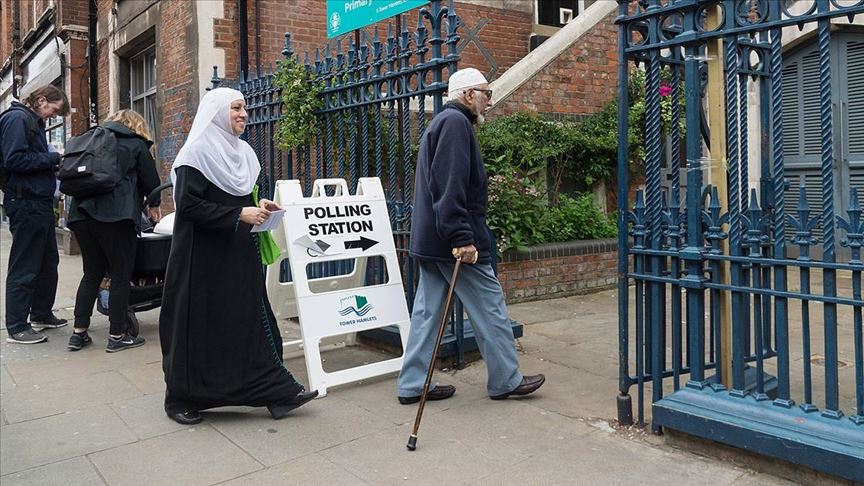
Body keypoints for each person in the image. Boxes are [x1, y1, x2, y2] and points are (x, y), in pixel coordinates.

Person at [159, 87, 317, 425]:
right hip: (201, 260)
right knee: (198, 326)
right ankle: (181, 398)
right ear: (217, 111)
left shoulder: (243, 152)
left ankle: (276, 391)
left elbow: (240, 197)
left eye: (244, 108)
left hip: (238, 254)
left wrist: (259, 206)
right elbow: (188, 206)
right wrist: (237, 216)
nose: (244, 114)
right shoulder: (196, 154)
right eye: (236, 108)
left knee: (247, 321)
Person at [396, 68, 546, 404]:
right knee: (489, 303)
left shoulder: (443, 124)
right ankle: (506, 378)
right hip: (454, 242)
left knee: (426, 312)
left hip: (433, 241)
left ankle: (412, 384)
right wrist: (463, 239)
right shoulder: (455, 124)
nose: (489, 101)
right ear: (467, 95)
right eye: (485, 93)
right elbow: (450, 190)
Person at [66, 110, 163, 352]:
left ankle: (78, 334)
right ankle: (118, 336)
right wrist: (155, 206)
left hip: (81, 216)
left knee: (92, 274)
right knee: (121, 275)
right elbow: (151, 181)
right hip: (116, 218)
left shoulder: (90, 137)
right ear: (136, 126)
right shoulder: (136, 143)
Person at [0, 86, 70, 344]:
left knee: (47, 261)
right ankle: (17, 326)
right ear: (40, 100)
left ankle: (40, 314)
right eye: (53, 109)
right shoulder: (17, 119)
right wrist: (52, 158)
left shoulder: (31, 121)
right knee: (25, 265)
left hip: (37, 202)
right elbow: (14, 160)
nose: (52, 116)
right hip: (25, 202)